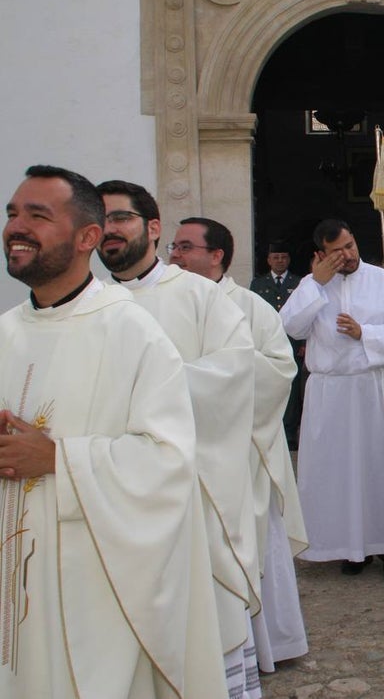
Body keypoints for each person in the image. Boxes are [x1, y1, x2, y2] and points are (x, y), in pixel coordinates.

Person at [0, 165, 226, 696]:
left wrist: (60, 460)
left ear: (87, 237)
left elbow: (169, 460)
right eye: (12, 213)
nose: (16, 227)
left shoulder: (132, 332)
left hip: (91, 593)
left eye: (37, 215)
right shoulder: (5, 331)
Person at [96, 179, 262, 697]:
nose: (108, 231)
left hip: (191, 490)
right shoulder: (91, 305)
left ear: (151, 227)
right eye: (99, 222)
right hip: (112, 492)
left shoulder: (199, 296)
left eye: (119, 218)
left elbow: (235, 376)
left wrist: (148, 390)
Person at [170, 217, 309, 672]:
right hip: (178, 453)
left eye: (186, 247)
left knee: (248, 544)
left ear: (217, 256)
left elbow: (279, 371)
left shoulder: (250, 307)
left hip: (243, 454)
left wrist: (222, 374)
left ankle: (264, 646)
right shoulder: (160, 303)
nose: (174, 254)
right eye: (173, 245)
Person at [280, 219, 384, 582]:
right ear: (321, 255)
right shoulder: (312, 286)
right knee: (340, 473)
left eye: (351, 245)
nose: (348, 254)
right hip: (332, 393)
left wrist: (365, 333)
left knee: (382, 469)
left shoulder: (383, 280)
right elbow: (290, 326)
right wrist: (316, 285)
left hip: (375, 388)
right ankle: (350, 547)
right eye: (338, 250)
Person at [251, 241, 305, 447]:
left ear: (288, 259)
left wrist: (303, 342)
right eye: (276, 257)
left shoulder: (300, 282)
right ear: (268, 260)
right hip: (266, 344)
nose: (280, 261)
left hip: (292, 343)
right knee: (268, 386)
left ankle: (289, 433)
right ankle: (272, 431)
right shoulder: (258, 284)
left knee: (292, 390)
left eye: (283, 257)